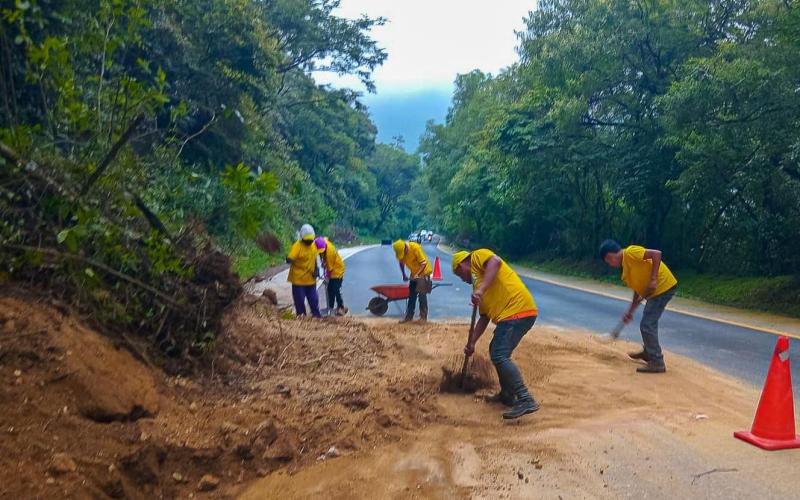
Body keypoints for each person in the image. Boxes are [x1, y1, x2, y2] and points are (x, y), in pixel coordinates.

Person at [452, 249, 540, 420]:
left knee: (499, 353)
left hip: (517, 310)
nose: (462, 279)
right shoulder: (478, 286)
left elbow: (496, 262)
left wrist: (481, 290)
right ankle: (507, 394)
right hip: (513, 315)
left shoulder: (477, 256)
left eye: (459, 274)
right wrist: (472, 343)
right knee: (497, 350)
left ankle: (526, 398)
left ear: (462, 264)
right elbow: (484, 318)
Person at [599, 239, 678, 373]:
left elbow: (656, 254)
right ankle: (649, 352)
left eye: (608, 261)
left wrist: (653, 279)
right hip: (655, 291)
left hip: (663, 286)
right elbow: (637, 291)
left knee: (647, 324)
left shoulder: (630, 253)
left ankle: (657, 362)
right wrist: (629, 312)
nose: (610, 264)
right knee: (647, 322)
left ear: (610, 256)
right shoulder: (626, 272)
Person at [392, 239, 432, 323]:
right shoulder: (401, 251)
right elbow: (401, 263)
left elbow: (423, 263)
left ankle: (423, 318)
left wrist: (418, 274)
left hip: (423, 272)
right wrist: (404, 274)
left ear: (406, 247)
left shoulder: (415, 248)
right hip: (414, 274)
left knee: (421, 295)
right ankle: (409, 317)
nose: (404, 255)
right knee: (412, 296)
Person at [286, 224, 321, 318]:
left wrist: (316, 270)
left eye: (311, 239)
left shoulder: (313, 246)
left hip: (310, 279)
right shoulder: (297, 246)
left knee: (314, 300)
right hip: (298, 280)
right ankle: (302, 319)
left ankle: (317, 318)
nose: (309, 241)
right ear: (302, 238)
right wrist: (290, 259)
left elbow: (315, 259)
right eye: (307, 240)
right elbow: (290, 258)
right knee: (300, 301)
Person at [315, 236, 348, 316]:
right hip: (332, 269)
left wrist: (326, 277)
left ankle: (341, 307)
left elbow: (330, 268)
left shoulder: (330, 251)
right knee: (330, 289)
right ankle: (331, 307)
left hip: (337, 270)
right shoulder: (321, 244)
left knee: (336, 289)